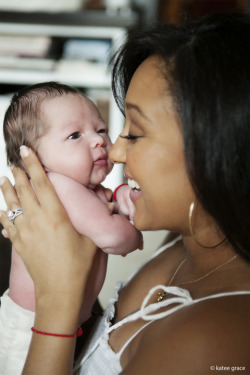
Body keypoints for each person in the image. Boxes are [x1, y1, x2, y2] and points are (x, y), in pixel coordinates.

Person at [0, 12, 249, 375]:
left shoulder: (212, 341)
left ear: (213, 150)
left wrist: (59, 298)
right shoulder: (184, 244)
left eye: (134, 133)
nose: (113, 149)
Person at [0, 82, 142, 374]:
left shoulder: (84, 190)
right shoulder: (58, 185)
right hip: (27, 331)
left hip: (60, 321)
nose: (98, 141)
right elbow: (115, 237)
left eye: (100, 129)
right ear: (34, 159)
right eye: (75, 135)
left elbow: (108, 209)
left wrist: (121, 199)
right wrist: (131, 229)